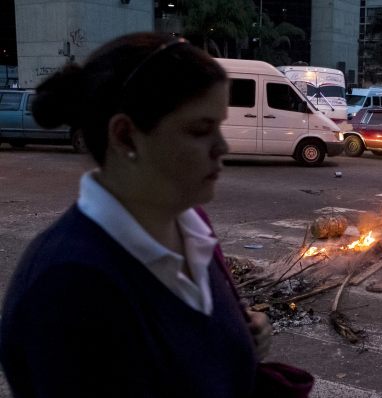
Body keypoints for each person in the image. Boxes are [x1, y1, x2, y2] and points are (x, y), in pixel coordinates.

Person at [0, 32, 273, 397]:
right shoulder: (69, 287)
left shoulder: (191, 224)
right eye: (200, 130)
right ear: (126, 136)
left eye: (220, 126)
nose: (222, 147)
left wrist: (240, 340)